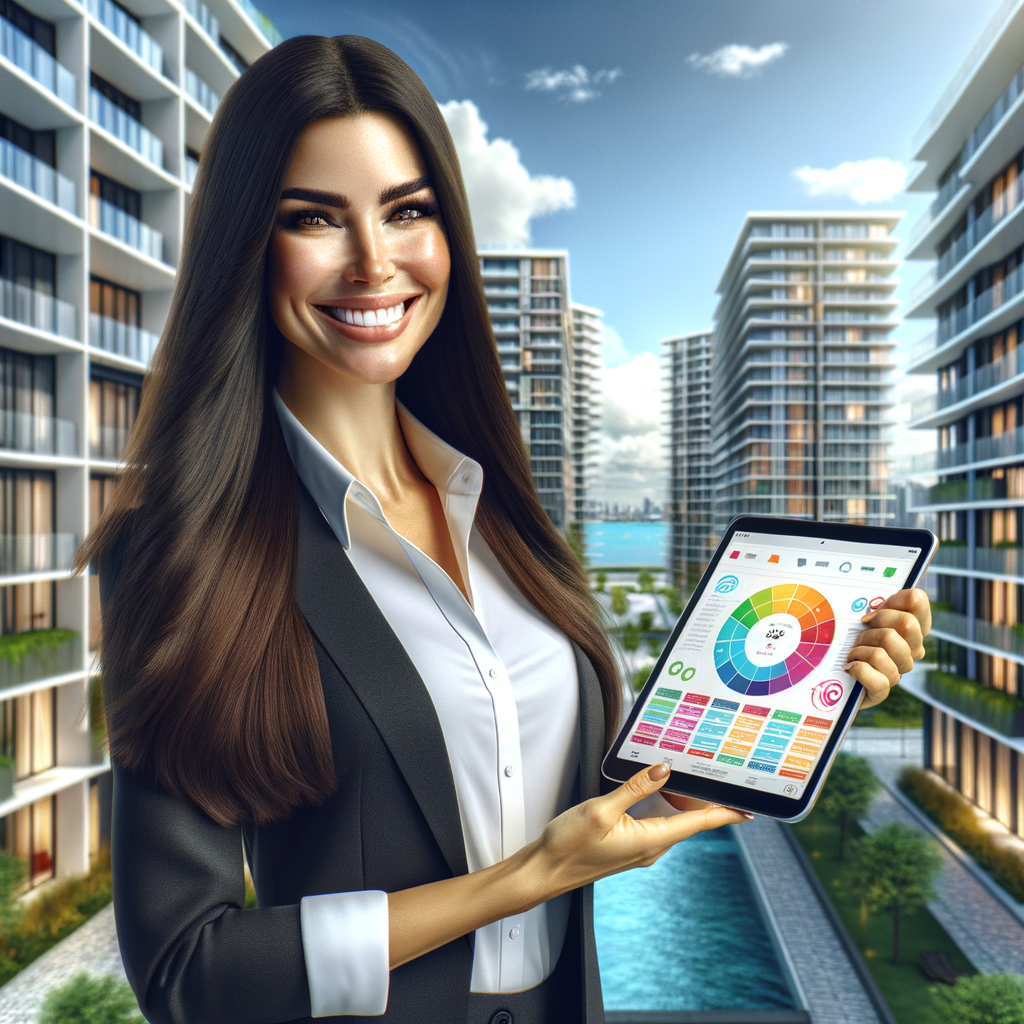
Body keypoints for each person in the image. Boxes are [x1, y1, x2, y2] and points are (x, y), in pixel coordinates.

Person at [82, 35, 932, 1024]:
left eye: (407, 211)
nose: (374, 263)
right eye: (313, 218)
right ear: (244, 243)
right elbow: (188, 970)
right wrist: (522, 879)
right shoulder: (179, 551)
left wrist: (806, 700)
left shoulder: (501, 514)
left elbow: (559, 815)